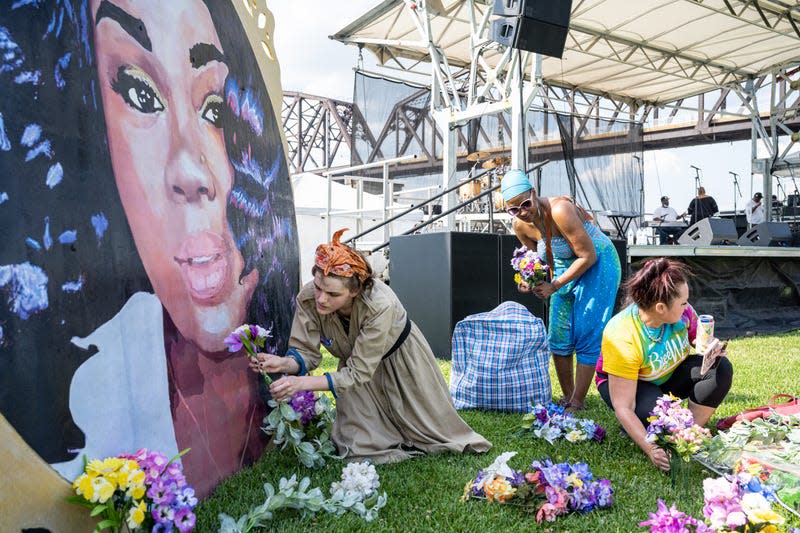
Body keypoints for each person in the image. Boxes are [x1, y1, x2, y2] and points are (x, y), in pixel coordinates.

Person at [0, 0, 298, 499]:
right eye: (139, 93)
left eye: (214, 110)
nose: (192, 171)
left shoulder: (261, 343)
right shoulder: (91, 390)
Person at [252, 229, 492, 464]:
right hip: (354, 371)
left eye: (332, 294)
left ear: (354, 290)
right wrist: (283, 363)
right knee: (357, 447)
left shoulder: (380, 304)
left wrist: (301, 383)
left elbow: (360, 371)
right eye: (318, 287)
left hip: (400, 361)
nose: (321, 299)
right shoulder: (308, 297)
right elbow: (306, 351)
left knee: (432, 433)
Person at [595, 258, 733, 471]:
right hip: (633, 387)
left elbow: (698, 339)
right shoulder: (622, 334)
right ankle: (641, 426)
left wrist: (708, 346)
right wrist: (650, 448)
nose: (687, 306)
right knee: (665, 423)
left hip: (667, 377)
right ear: (660, 307)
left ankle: (691, 433)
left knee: (720, 367)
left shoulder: (683, 313)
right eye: (683, 302)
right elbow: (624, 406)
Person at [501, 169, 622, 411]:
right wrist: (530, 280)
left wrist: (554, 285)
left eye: (525, 204)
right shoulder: (521, 226)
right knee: (558, 332)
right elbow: (537, 260)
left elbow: (588, 255)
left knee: (588, 328)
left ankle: (577, 401)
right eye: (514, 210)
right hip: (566, 266)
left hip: (599, 264)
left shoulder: (560, 210)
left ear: (534, 193)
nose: (523, 213)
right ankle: (568, 397)